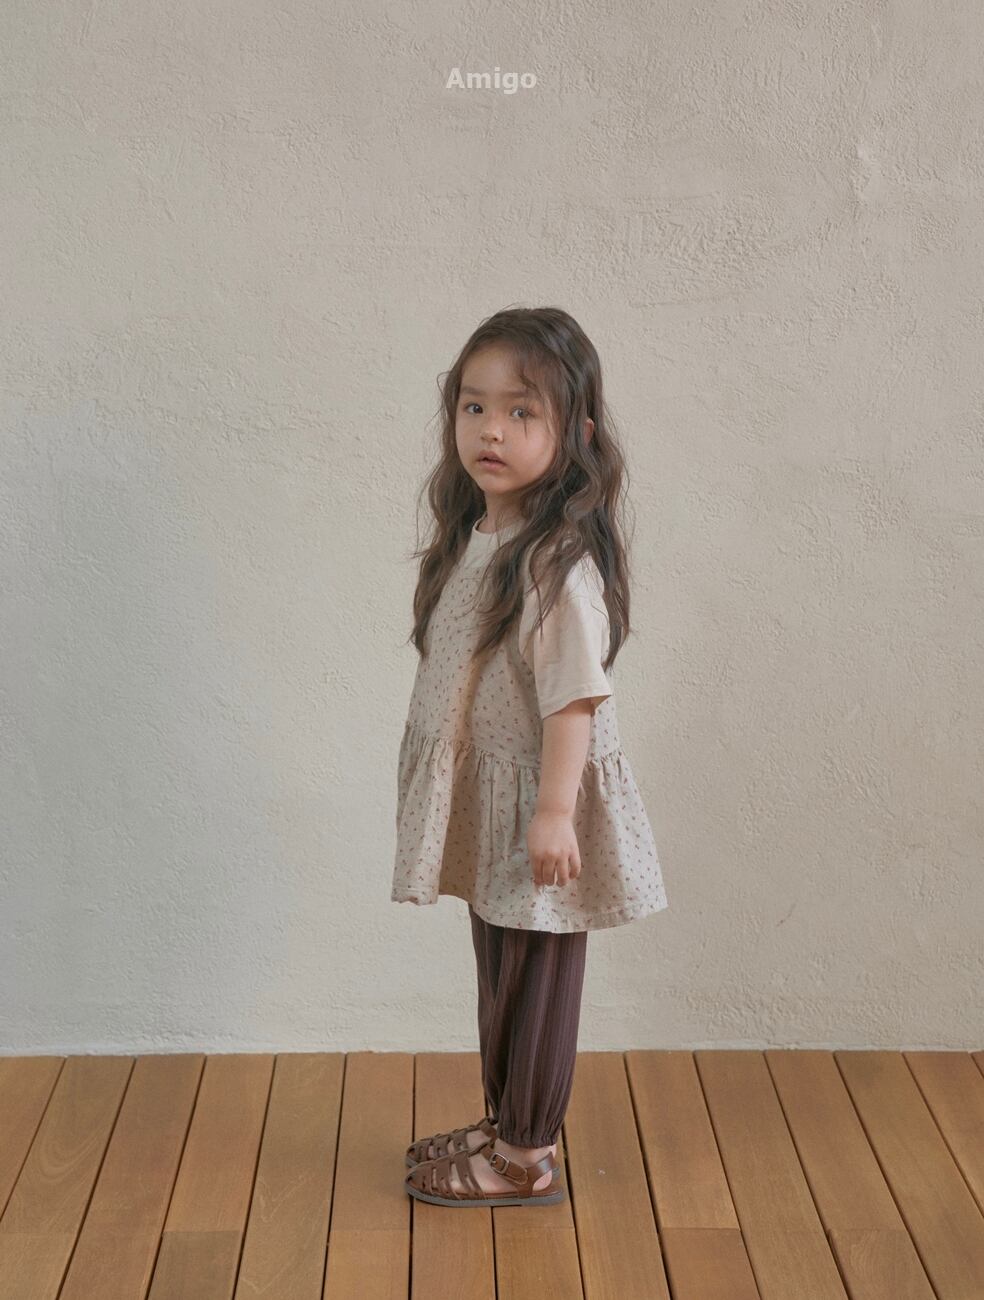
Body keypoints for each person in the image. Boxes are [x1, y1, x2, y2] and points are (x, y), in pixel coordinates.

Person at [393, 306, 669, 1208]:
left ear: (575, 433)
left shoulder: (555, 564)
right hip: (496, 797)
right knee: (500, 969)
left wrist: (554, 811)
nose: (492, 430)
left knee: (537, 976)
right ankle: (506, 1118)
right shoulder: (481, 536)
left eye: (522, 412)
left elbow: (573, 701)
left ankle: (526, 1154)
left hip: (538, 802)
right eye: (475, 407)